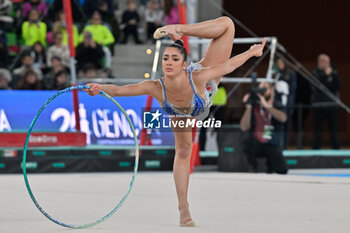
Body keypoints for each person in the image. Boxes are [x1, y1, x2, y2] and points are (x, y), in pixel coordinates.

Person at [83, 17, 266, 227]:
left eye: (174, 59)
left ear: (184, 65)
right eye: (166, 59)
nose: (169, 62)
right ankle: (183, 207)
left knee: (228, 24)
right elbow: (121, 90)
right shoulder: (155, 86)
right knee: (183, 151)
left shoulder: (198, 76)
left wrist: (252, 52)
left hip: (202, 93)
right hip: (178, 112)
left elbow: (230, 64)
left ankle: (180, 29)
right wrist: (100, 88)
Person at [240, 82, 288, 174]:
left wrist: (266, 106)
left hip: (272, 143)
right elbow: (244, 127)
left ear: (272, 91)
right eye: (260, 89)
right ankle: (252, 166)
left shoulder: (277, 104)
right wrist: (248, 106)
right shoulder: (254, 106)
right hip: (257, 143)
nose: (261, 91)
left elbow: (283, 118)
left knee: (282, 170)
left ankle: (270, 165)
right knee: (245, 139)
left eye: (264, 89)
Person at [311, 54, 341, 149]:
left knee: (334, 129)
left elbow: (338, 87)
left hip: (331, 105)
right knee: (317, 130)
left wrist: (332, 75)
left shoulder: (334, 73)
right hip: (318, 105)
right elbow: (319, 87)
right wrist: (326, 76)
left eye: (327, 62)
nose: (325, 64)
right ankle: (316, 150)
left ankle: (336, 150)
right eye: (323, 61)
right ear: (318, 62)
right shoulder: (314, 73)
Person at [275, 58, 297, 149]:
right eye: (277, 63)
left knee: (286, 125)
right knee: (277, 125)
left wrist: (285, 88)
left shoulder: (290, 74)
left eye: (281, 63)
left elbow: (293, 88)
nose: (279, 65)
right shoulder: (276, 74)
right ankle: (278, 145)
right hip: (278, 103)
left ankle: (285, 146)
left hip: (287, 103)